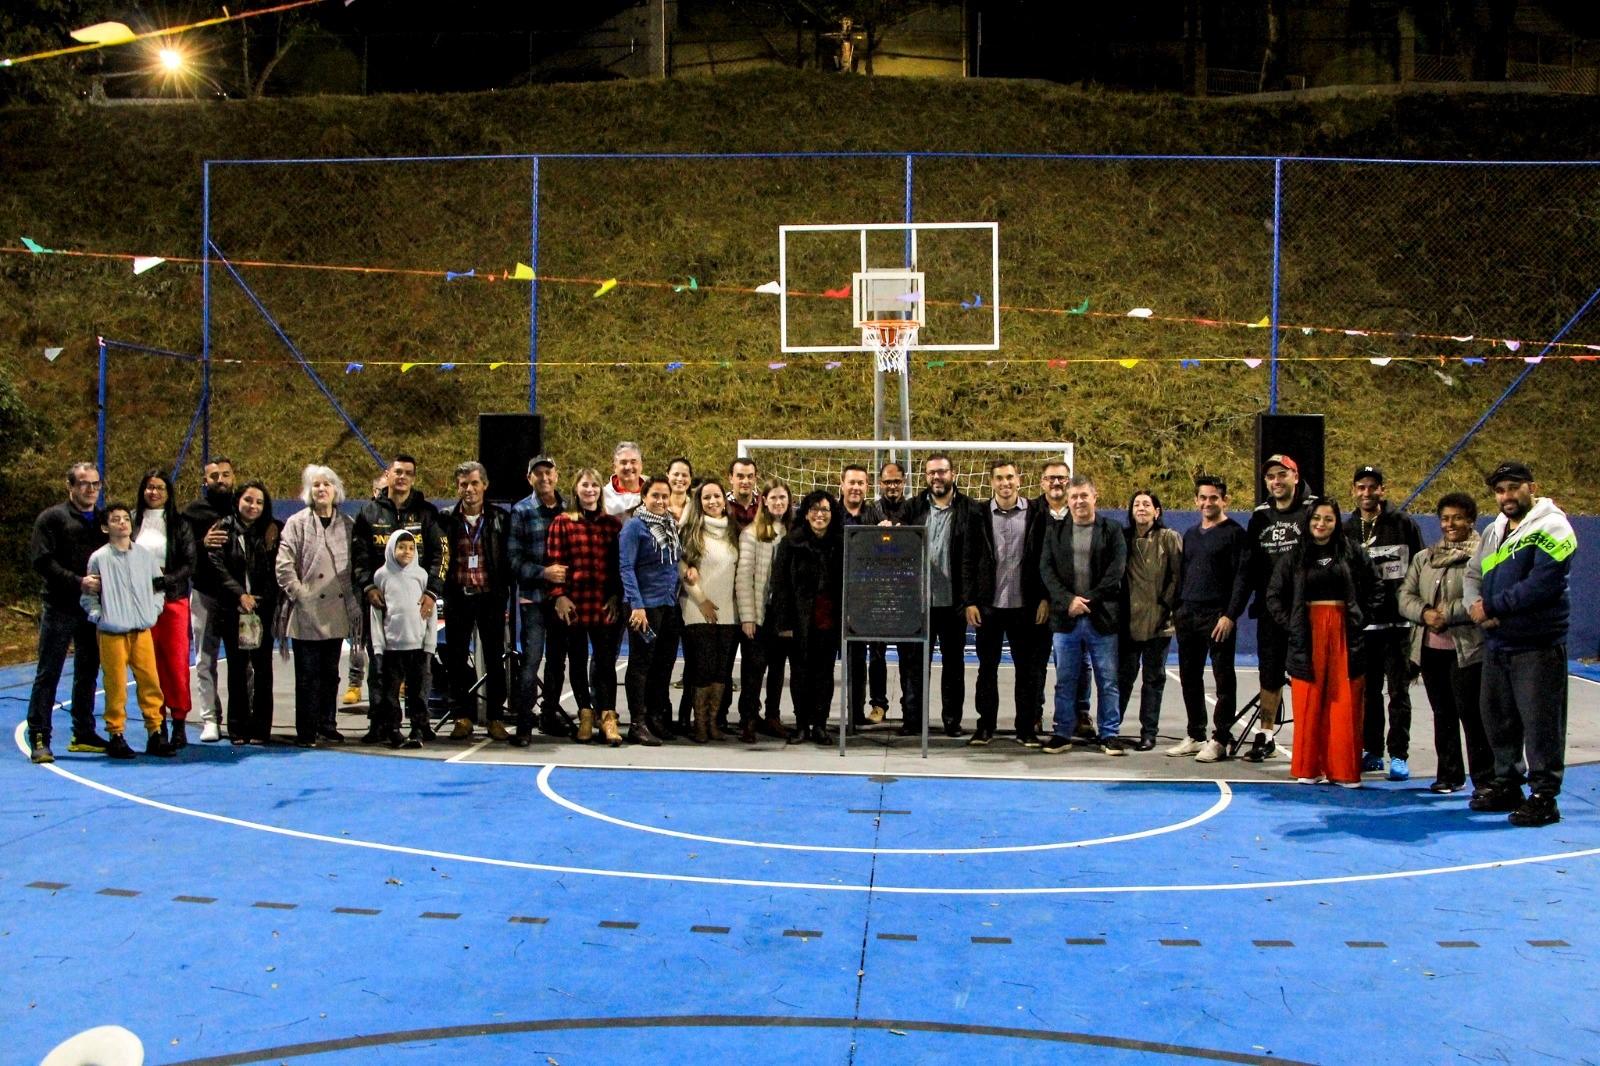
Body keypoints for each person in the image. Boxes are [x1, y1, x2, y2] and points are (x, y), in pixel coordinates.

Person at [1465, 461, 1577, 827]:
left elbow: (1542, 583)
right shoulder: (1496, 528)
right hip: (1499, 643)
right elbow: (1476, 573)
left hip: (1537, 644)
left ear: (1532, 487)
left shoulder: (1554, 526)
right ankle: (1508, 784)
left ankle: (1544, 797)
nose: (1506, 496)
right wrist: (1476, 608)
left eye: (1513, 488)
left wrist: (1493, 607)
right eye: (1500, 490)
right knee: (1498, 718)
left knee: (1541, 723)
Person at [1267, 497, 1374, 787]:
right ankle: (1308, 767)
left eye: (1328, 519)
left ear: (1337, 522)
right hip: (1307, 635)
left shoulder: (1352, 552)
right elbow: (1273, 595)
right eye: (1316, 518)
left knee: (1345, 703)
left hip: (1344, 634)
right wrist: (1293, 623)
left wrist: (1360, 619)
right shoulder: (1294, 556)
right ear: (1308, 521)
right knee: (1309, 702)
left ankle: (1344, 770)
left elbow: (1376, 586)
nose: (1321, 524)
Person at [1398, 493, 1491, 796]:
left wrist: (1446, 614)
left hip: (1468, 650)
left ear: (1471, 521)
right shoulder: (1424, 558)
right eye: (1445, 518)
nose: (1450, 524)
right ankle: (1449, 775)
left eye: (1458, 518)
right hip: (1430, 649)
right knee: (1443, 714)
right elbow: (1405, 597)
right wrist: (1424, 613)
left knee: (1472, 716)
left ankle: (1485, 779)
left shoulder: (1483, 556)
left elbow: (1481, 599)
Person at [350, 454, 447, 744]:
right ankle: (381, 724)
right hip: (381, 604)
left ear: (413, 478)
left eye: (408, 473)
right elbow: (358, 556)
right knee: (380, 669)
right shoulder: (368, 513)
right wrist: (368, 587)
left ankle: (421, 724)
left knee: (421, 672)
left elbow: (441, 555)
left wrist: (432, 592)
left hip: (417, 607)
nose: (402, 477)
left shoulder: (427, 513)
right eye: (398, 472)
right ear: (388, 475)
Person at [1345, 465, 1424, 780]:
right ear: (1354, 490)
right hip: (1365, 627)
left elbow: (1419, 566)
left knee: (1398, 692)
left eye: (1372, 487)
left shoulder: (1402, 524)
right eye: (1361, 487)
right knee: (1370, 692)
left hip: (1398, 626)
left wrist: (1414, 614)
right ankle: (1373, 751)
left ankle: (1399, 755)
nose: (1366, 493)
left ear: (1382, 490)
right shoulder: (1347, 528)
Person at [1039, 474, 1127, 755]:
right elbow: (1047, 570)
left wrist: (1086, 600)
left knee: (1108, 679)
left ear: (1094, 496)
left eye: (1084, 496)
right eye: (1074, 496)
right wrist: (1068, 601)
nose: (1078, 501)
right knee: (1065, 679)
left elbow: (1117, 571)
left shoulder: (1112, 530)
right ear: (1068, 499)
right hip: (1066, 619)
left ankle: (1110, 734)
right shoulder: (1055, 531)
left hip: (1102, 617)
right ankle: (1062, 733)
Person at [962, 458, 1048, 747]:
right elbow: (968, 560)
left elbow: (1044, 561)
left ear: (1019, 480)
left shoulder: (1037, 513)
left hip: (1025, 606)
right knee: (987, 669)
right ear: (992, 482)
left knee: (1027, 671)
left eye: (1010, 477)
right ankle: (985, 726)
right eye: (999, 478)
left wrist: (1044, 598)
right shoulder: (978, 514)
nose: (1005, 483)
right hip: (989, 606)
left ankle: (1025, 728)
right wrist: (970, 601)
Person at [26, 463, 108, 763]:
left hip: (93, 610)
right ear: (70, 486)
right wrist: (78, 582)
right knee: (49, 672)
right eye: (84, 484)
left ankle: (83, 732)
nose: (90, 490)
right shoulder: (52, 518)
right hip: (60, 607)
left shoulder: (104, 519)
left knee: (88, 671)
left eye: (95, 484)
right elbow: (42, 561)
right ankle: (39, 736)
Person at [275, 465, 359, 747]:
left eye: (327, 484)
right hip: (306, 612)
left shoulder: (347, 524)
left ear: (336, 490)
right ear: (308, 491)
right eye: (316, 485)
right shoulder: (296, 523)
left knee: (331, 674)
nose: (321, 489)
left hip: (336, 611)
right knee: (307, 676)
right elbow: (284, 566)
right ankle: (307, 729)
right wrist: (301, 594)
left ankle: (328, 723)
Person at [1168, 476, 1251, 761]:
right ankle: (1195, 734)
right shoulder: (1190, 534)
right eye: (1203, 498)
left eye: (1213, 497)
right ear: (1196, 501)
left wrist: (1230, 615)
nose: (1207, 503)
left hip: (1217, 616)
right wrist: (1178, 608)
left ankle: (1221, 738)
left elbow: (1243, 579)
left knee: (1223, 678)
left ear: (1224, 500)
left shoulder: (1236, 534)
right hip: (1188, 615)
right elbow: (1183, 574)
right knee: (1189, 677)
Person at [81, 501, 170, 760]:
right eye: (115, 519)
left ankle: (155, 731)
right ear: (105, 526)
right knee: (116, 684)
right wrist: (99, 616)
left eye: (125, 519)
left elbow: (158, 586)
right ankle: (116, 733)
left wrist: (154, 610)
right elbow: (90, 594)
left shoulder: (145, 556)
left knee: (150, 682)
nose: (122, 523)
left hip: (141, 629)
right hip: (112, 632)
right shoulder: (99, 558)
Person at [545, 468, 625, 746]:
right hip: (574, 604)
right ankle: (585, 715)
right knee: (577, 663)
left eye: (594, 485)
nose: (590, 490)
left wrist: (616, 596)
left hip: (604, 605)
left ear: (600, 490)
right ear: (576, 490)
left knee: (605, 664)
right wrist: (559, 596)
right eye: (584, 485)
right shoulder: (562, 523)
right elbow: (554, 562)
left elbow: (618, 567)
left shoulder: (612, 525)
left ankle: (608, 717)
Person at [900, 454, 975, 737]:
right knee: (915, 665)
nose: (937, 477)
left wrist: (969, 600)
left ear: (952, 474)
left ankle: (952, 721)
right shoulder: (912, 508)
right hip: (919, 603)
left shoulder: (970, 509)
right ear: (926, 477)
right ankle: (913, 720)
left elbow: (974, 559)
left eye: (942, 472)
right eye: (931, 473)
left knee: (953, 665)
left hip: (954, 603)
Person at [1244, 453, 1312, 762]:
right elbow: (1250, 564)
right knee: (1269, 674)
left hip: (1306, 611)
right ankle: (1266, 733)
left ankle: (1310, 735)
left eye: (1282, 475)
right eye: (1270, 477)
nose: (1276, 481)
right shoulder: (1260, 516)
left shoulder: (1314, 510)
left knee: (1306, 675)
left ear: (1295, 477)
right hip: (1270, 612)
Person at [439, 461, 513, 742]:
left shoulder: (499, 519)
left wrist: (503, 590)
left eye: (473, 483)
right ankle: (462, 716)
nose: (468, 489)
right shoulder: (446, 518)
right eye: (463, 485)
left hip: (490, 598)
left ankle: (495, 716)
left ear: (485, 485)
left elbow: (506, 558)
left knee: (495, 659)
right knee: (456, 659)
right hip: (458, 598)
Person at [769, 490, 844, 746]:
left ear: (832, 514)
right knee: (800, 674)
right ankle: (801, 725)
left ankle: (820, 726)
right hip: (799, 620)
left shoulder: (842, 543)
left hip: (829, 620)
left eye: (824, 510)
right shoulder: (791, 543)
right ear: (806, 513)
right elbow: (780, 587)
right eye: (814, 509)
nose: (819, 514)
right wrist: (784, 623)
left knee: (824, 674)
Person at [210, 481, 282, 745]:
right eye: (248, 500)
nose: (254, 506)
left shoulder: (274, 530)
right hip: (234, 608)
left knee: (264, 669)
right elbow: (216, 565)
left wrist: (262, 599)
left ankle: (262, 729)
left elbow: (279, 569)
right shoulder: (223, 528)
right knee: (238, 670)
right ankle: (238, 728)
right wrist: (239, 594)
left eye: (259, 502)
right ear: (238, 500)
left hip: (263, 610)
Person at [507, 455, 570, 742]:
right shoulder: (521, 511)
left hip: (563, 600)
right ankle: (523, 723)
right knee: (531, 661)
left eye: (549, 472)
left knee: (558, 660)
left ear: (557, 475)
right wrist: (544, 573)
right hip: (533, 598)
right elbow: (513, 560)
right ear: (529, 477)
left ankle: (549, 716)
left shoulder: (569, 509)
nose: (544, 478)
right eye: (538, 473)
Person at [678, 477, 741, 743]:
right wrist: (701, 600)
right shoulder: (690, 530)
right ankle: (699, 723)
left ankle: (713, 722)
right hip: (697, 609)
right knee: (702, 669)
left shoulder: (733, 530)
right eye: (706, 497)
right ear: (699, 502)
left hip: (728, 610)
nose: (713, 501)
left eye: (717, 496)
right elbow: (682, 569)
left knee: (721, 671)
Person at [1118, 489, 1182, 751]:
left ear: (1157, 512)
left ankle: (1149, 732)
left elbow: (1178, 578)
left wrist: (1166, 607)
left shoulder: (1169, 539)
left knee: (1154, 679)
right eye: (1136, 504)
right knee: (1122, 678)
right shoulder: (1122, 540)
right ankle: (1111, 728)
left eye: (1147, 504)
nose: (1141, 508)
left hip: (1159, 622)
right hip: (1128, 622)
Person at [620, 476, 680, 746]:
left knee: (663, 665)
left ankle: (656, 717)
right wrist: (637, 605)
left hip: (668, 605)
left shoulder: (671, 525)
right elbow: (626, 567)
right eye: (655, 495)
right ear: (644, 496)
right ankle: (637, 722)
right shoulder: (634, 527)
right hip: (645, 607)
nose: (660, 501)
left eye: (665, 496)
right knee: (641, 665)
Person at [734, 479, 793, 743]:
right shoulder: (751, 533)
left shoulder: (794, 531)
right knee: (753, 668)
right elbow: (744, 577)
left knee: (778, 669)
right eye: (774, 498)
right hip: (759, 613)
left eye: (783, 498)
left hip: (782, 615)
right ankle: (748, 718)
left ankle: (772, 716)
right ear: (764, 501)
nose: (779, 502)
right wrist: (747, 616)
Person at [183, 456, 236, 742]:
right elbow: (180, 550)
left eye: (225, 474)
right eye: (214, 476)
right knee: (205, 659)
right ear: (205, 481)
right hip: (205, 593)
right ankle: (210, 719)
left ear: (233, 477)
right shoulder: (193, 512)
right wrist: (200, 545)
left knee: (243, 661)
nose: (220, 480)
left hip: (238, 598)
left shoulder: (243, 505)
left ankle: (242, 717)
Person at [372, 531, 439, 748]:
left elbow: (431, 614)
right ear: (391, 548)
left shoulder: (422, 576)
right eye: (401, 547)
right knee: (390, 693)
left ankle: (419, 727)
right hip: (392, 647)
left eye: (411, 548)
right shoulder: (381, 576)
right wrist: (378, 647)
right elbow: (376, 616)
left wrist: (429, 644)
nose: (406, 552)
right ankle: (393, 728)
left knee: (418, 691)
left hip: (418, 646)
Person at [837, 464, 890, 727]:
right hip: (837, 599)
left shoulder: (875, 514)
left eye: (861, 483)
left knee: (873, 655)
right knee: (843, 659)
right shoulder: (831, 514)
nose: (856, 487)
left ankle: (870, 708)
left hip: (870, 598)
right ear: (842, 484)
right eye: (852, 482)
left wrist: (887, 534)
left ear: (867, 487)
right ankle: (840, 711)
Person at [604, 441, 645, 516]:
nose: (628, 467)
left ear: (641, 466)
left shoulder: (652, 492)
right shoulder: (603, 496)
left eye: (633, 462)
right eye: (623, 462)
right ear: (614, 467)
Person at [726, 457, 760, 529]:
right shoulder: (722, 505)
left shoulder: (764, 504)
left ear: (755, 479)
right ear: (731, 478)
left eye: (750, 476)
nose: (745, 481)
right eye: (740, 476)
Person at [664, 457, 694, 522]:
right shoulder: (658, 505)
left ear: (690, 479)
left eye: (684, 475)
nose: (680, 479)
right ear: (667, 475)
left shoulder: (696, 508)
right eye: (676, 474)